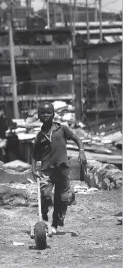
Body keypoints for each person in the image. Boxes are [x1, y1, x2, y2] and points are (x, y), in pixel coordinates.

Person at [30, 101, 86, 237]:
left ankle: (55, 224)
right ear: (38, 115)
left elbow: (76, 138)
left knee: (62, 198)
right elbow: (33, 155)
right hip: (46, 171)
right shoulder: (39, 135)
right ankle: (44, 218)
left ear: (53, 114)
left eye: (48, 112)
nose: (45, 115)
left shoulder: (62, 129)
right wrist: (33, 169)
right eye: (42, 113)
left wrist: (82, 150)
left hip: (62, 170)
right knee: (45, 195)